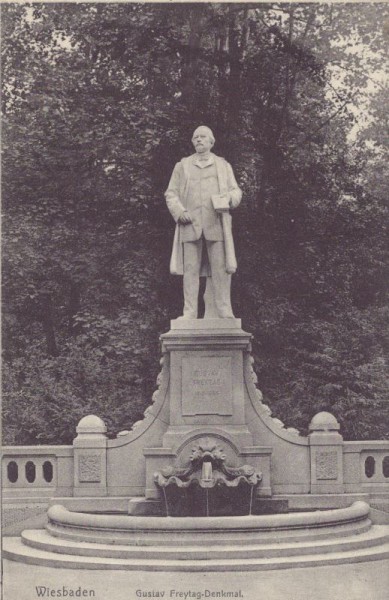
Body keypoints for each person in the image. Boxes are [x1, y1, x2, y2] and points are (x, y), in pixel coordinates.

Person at [165, 126, 242, 319]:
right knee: (190, 270)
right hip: (190, 224)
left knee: (221, 268)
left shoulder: (223, 165)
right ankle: (189, 312)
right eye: (195, 137)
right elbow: (171, 193)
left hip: (216, 223)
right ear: (192, 142)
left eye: (203, 137)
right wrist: (179, 211)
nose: (199, 140)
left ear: (211, 141)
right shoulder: (182, 165)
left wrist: (229, 200)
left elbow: (236, 191)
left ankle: (224, 310)